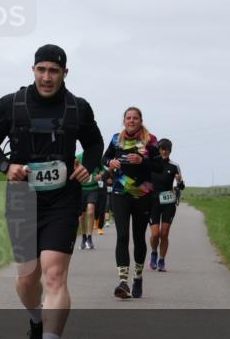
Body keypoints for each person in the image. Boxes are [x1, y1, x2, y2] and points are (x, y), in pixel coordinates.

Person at [0, 45, 103, 339]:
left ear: (65, 73)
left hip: (63, 200)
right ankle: (36, 319)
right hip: (22, 198)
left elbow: (94, 144)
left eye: (54, 70)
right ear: (33, 70)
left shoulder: (78, 107)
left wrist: (87, 168)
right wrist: (8, 166)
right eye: (41, 69)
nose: (47, 77)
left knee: (54, 275)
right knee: (26, 279)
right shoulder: (11, 104)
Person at [103, 107, 162, 299]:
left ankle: (137, 278)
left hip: (143, 194)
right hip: (120, 192)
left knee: (138, 238)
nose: (131, 121)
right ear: (124, 120)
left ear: (141, 120)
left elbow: (159, 166)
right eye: (128, 118)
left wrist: (142, 160)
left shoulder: (150, 140)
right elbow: (105, 158)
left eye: (135, 118)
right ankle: (123, 282)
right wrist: (110, 163)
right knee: (122, 237)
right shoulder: (115, 139)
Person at [149, 138, 184, 272]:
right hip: (153, 202)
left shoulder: (174, 166)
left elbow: (181, 186)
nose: (164, 152)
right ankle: (153, 252)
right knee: (155, 234)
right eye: (162, 149)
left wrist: (179, 181)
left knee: (164, 233)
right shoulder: (152, 164)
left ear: (170, 151)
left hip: (168, 202)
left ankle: (162, 260)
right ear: (159, 150)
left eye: (167, 150)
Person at [77, 151, 106, 249]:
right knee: (82, 216)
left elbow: (103, 170)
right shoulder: (78, 158)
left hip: (93, 188)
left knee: (90, 210)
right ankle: (84, 237)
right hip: (81, 189)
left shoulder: (96, 157)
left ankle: (89, 237)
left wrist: (100, 175)